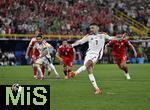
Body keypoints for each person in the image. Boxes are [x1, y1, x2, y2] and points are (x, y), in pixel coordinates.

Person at [68, 23, 123, 94]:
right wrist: (72, 45)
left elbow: (111, 38)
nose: (91, 29)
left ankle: (75, 73)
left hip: (97, 54)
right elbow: (80, 41)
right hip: (89, 54)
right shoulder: (88, 36)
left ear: (97, 28)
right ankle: (97, 88)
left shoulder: (102, 34)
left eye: (92, 28)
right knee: (89, 70)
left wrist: (119, 39)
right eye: (90, 28)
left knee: (88, 64)